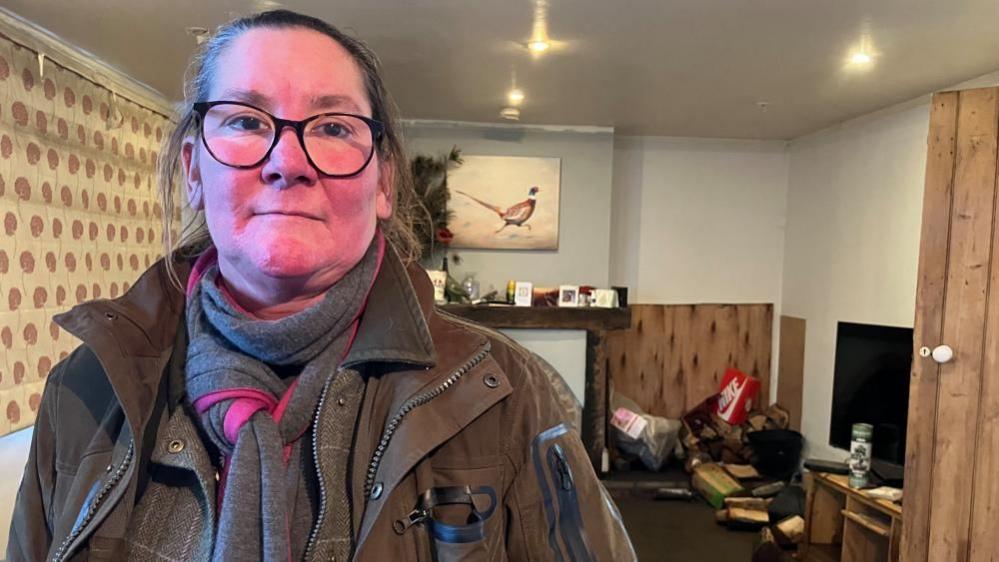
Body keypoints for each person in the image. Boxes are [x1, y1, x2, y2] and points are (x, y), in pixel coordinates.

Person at [7, 9, 635, 562]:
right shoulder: (84, 392)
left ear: (383, 182)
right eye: (247, 121)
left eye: (333, 127)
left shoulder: (506, 392)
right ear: (194, 168)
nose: (287, 162)